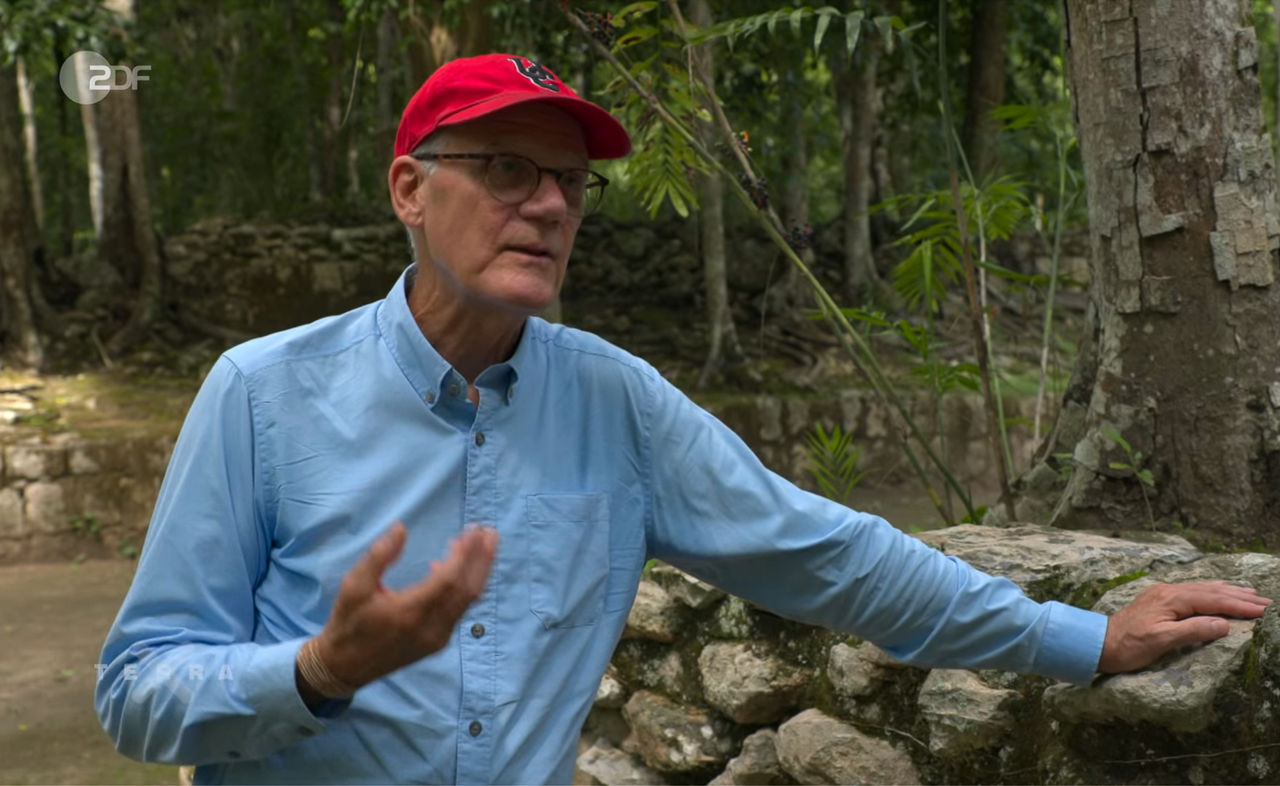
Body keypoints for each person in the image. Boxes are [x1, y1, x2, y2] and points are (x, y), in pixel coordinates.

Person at [95, 53, 1271, 785]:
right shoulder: (261, 391)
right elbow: (138, 695)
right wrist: (316, 670)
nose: (548, 205)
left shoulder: (611, 399)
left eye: (569, 184)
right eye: (507, 169)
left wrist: (1081, 640)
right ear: (410, 187)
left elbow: (831, 557)